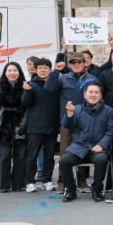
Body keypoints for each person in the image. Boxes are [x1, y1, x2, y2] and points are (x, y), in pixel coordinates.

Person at [46, 52, 99, 192]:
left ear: (84, 63)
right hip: (67, 121)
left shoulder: (92, 79)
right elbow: (49, 89)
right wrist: (56, 71)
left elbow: (97, 98)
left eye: (79, 62)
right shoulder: (62, 77)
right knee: (65, 152)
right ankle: (62, 181)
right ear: (69, 65)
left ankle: (82, 180)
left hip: (85, 121)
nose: (76, 64)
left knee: (83, 150)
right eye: (73, 62)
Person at [58, 83, 113, 202]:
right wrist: (69, 114)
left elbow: (111, 131)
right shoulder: (77, 109)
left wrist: (101, 145)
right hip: (79, 147)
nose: (93, 95)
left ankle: (97, 190)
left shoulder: (109, 110)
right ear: (85, 95)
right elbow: (67, 126)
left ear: (101, 95)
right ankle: (70, 190)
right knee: (64, 160)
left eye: (96, 92)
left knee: (102, 159)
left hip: (98, 148)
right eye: (90, 92)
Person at [21, 58, 60, 193]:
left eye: (46, 67)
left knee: (49, 157)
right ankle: (30, 182)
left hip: (51, 127)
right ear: (36, 70)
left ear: (50, 69)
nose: (43, 70)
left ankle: (47, 180)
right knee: (32, 156)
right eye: (40, 68)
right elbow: (25, 103)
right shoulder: (31, 84)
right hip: (34, 128)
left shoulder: (55, 84)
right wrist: (27, 91)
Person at [0, 62, 27, 193]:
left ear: (19, 72)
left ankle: (18, 184)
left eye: (15, 70)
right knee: (4, 155)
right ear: (5, 73)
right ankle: (4, 185)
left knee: (20, 155)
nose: (12, 73)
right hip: (5, 123)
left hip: (21, 121)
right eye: (9, 70)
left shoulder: (25, 85)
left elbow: (27, 104)